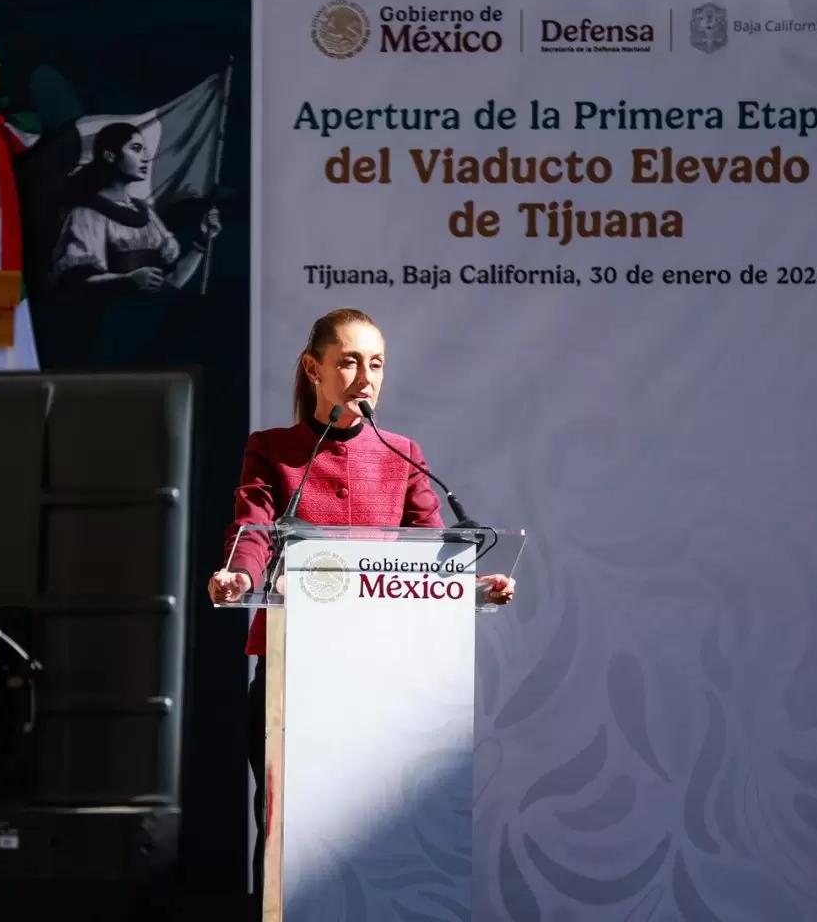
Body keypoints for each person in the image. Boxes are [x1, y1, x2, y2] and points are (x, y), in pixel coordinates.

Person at [207, 307, 516, 894]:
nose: (364, 376)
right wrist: (239, 578)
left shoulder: (402, 453)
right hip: (292, 669)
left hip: (379, 674)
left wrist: (473, 587)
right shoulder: (273, 449)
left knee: (377, 829)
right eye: (347, 361)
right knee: (283, 829)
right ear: (313, 369)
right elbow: (250, 531)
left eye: (375, 363)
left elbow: (433, 554)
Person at [48, 122, 221, 292]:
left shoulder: (145, 212)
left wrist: (203, 240)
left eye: (144, 150)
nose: (146, 157)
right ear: (109, 156)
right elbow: (74, 282)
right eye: (136, 149)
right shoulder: (87, 214)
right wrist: (127, 280)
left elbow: (173, 282)